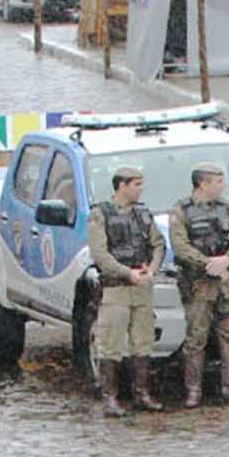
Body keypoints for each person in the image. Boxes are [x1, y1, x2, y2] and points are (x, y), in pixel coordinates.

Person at [170, 162, 229, 408]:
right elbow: (180, 246)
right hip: (199, 285)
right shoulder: (181, 210)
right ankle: (193, 390)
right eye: (218, 182)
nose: (223, 186)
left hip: (227, 285)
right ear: (203, 184)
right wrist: (210, 264)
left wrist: (228, 259)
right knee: (196, 338)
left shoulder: (226, 207)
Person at [87, 164, 163, 416]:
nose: (141, 189)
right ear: (122, 185)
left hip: (141, 287)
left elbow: (158, 244)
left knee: (143, 343)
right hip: (116, 289)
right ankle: (110, 397)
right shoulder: (101, 214)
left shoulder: (143, 213)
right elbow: (100, 253)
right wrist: (126, 272)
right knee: (111, 344)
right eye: (136, 184)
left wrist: (151, 269)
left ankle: (142, 393)